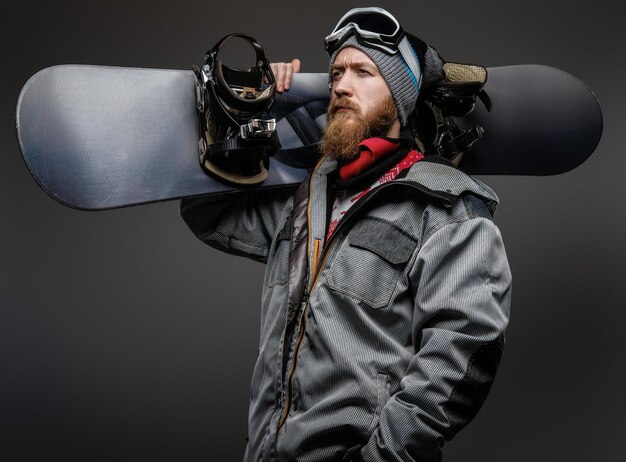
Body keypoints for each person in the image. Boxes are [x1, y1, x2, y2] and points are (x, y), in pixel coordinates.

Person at [181, 7, 511, 461]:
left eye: (362, 72)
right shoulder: (305, 200)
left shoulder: (447, 210)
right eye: (336, 72)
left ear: (400, 95)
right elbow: (206, 211)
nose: (340, 85)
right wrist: (260, 106)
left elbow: (463, 355)